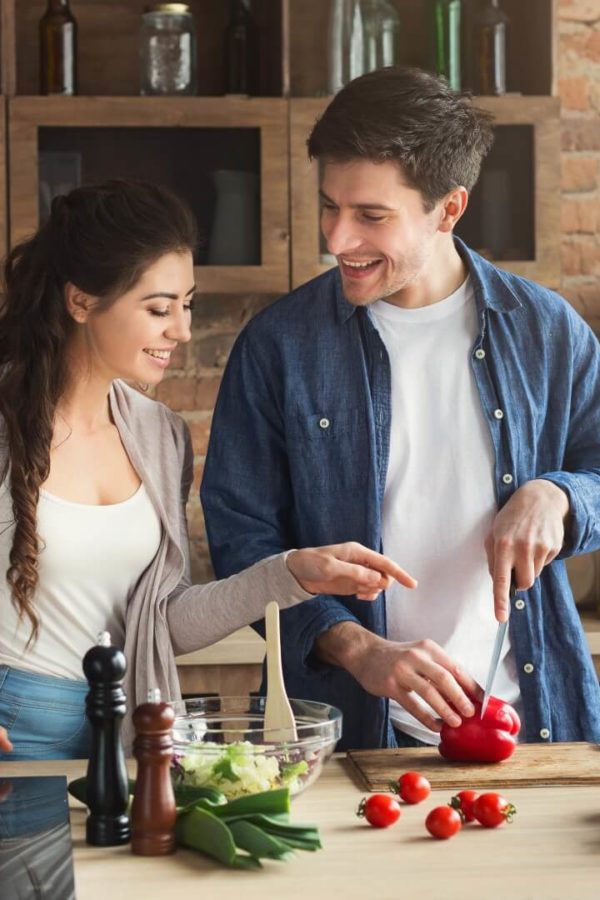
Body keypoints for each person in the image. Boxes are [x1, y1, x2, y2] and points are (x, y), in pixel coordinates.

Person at [201, 66, 600, 751]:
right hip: (344, 735)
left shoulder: (547, 331)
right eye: (330, 206)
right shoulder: (279, 347)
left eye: (371, 217)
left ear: (448, 209)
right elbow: (243, 543)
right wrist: (357, 648)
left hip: (531, 727)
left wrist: (559, 497)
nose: (337, 239)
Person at [0, 179, 415, 761]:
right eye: (158, 308)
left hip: (125, 733)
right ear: (81, 301)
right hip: (13, 725)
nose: (182, 330)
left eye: (186, 304)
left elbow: (162, 623)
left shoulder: (161, 437)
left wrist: (290, 572)